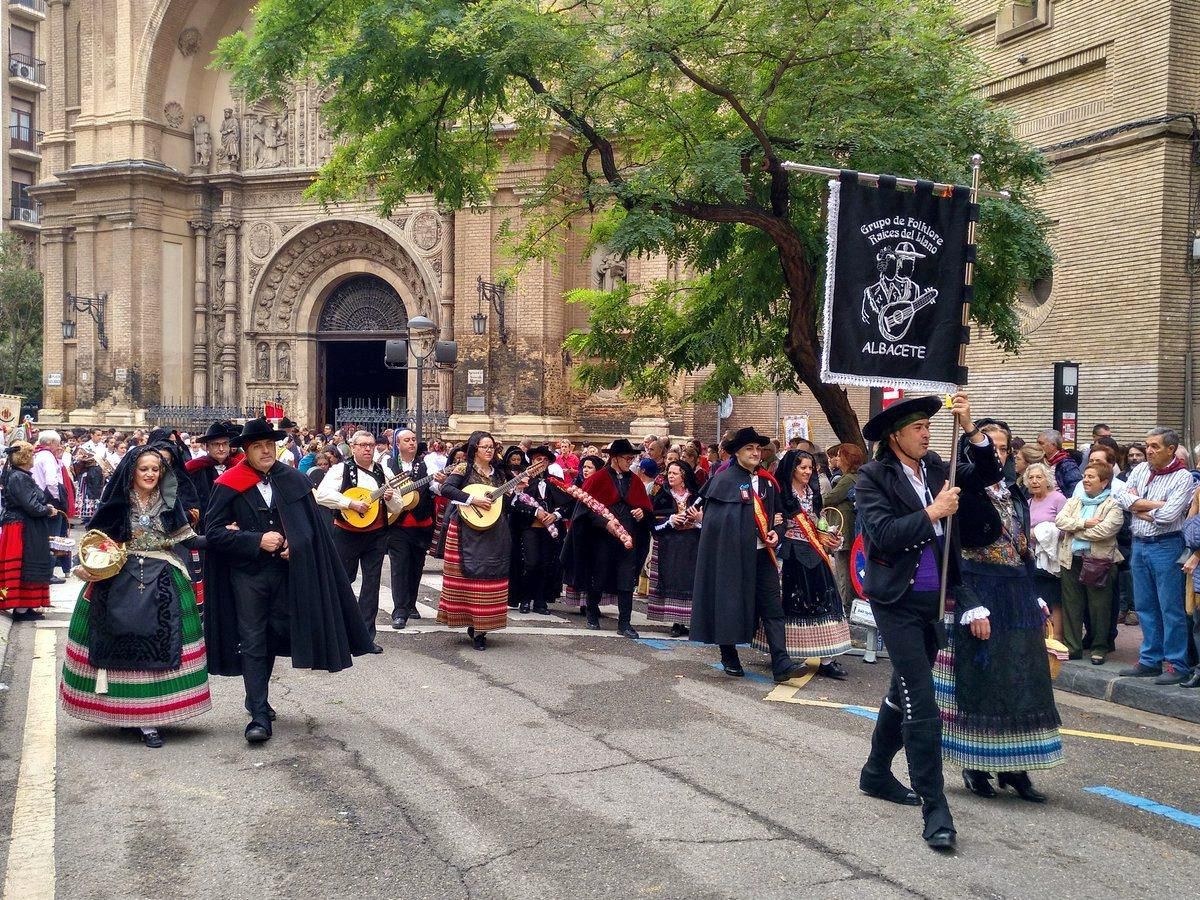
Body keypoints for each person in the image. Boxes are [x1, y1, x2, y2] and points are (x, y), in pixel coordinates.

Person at [854, 392, 1001, 852]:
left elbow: (991, 475)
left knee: (902, 687)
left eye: (928, 426)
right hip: (894, 600)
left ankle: (876, 772)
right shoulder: (872, 477)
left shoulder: (939, 466)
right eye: (918, 428)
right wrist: (934, 512)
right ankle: (935, 808)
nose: (926, 433)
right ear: (896, 436)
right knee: (921, 698)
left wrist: (970, 427)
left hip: (934, 601)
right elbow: (882, 534)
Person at [204, 417, 375, 743]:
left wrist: (294, 545)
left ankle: (257, 697)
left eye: (270, 445)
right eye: (258, 446)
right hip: (247, 575)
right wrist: (255, 541)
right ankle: (257, 715)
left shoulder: (292, 479)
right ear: (247, 451)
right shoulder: (229, 483)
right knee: (253, 639)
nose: (266, 451)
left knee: (274, 633)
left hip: (287, 574)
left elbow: (314, 528)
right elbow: (212, 533)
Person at [939, 422, 1063, 806]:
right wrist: (968, 601)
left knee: (1022, 680)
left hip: (1016, 591)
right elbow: (953, 552)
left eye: (1005, 448)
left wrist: (1032, 594)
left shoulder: (1014, 492)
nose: (1000, 454)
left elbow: (1022, 546)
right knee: (984, 682)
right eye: (992, 447)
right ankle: (976, 766)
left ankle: (1016, 769)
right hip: (981, 590)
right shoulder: (962, 489)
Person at [60, 447, 212, 748]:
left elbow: (188, 538)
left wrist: (226, 537)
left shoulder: (170, 502)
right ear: (132, 470)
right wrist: (92, 562)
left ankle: (149, 717)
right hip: (116, 575)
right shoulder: (116, 502)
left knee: (159, 642)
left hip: (164, 576)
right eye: (144, 468)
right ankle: (123, 710)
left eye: (156, 469)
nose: (150, 474)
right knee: (117, 639)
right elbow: (97, 539)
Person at [690, 427, 805, 684]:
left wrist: (776, 532)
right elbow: (716, 524)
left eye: (758, 449)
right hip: (730, 556)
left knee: (773, 607)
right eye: (749, 449)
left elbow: (778, 517)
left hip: (762, 555)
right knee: (728, 603)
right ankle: (728, 653)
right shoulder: (723, 481)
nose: (755, 453)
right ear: (737, 453)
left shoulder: (767, 482)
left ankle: (781, 662)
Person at [435, 431, 538, 650]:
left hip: (494, 530)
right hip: (465, 528)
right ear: (475, 449)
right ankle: (469, 620)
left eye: (492, 447)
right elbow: (447, 489)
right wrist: (473, 499)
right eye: (485, 447)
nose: (489, 450)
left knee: (490, 575)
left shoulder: (500, 474)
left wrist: (515, 490)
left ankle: (481, 628)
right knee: (467, 577)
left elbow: (504, 502)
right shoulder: (464, 468)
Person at [1115, 427, 1196, 684]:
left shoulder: (1182, 477)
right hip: (1140, 544)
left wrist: (1138, 506)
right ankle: (1150, 660)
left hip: (1166, 545)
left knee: (1170, 607)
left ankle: (1176, 663)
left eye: (1155, 447)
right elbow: (1120, 498)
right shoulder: (1140, 470)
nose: (1148, 451)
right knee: (1145, 605)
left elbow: (1169, 517)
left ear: (1171, 449)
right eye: (1147, 445)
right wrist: (1155, 505)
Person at [762, 449, 850, 677]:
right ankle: (783, 656)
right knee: (791, 603)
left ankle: (827, 659)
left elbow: (817, 519)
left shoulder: (813, 491)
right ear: (792, 469)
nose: (807, 472)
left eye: (810, 468)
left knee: (825, 600)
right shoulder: (781, 492)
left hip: (814, 550)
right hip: (791, 553)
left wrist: (829, 533)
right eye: (803, 467)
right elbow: (774, 520)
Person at [317, 430, 402, 650]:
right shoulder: (341, 469)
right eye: (362, 445)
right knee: (343, 581)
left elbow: (398, 506)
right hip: (346, 533)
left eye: (371, 445)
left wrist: (391, 499)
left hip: (376, 535)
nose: (367, 449)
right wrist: (349, 503)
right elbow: (322, 495)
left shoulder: (385, 472)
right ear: (352, 447)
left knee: (371, 584)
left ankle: (366, 637)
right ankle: (338, 633)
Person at [560, 439, 653, 639]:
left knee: (627, 578)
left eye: (632, 458)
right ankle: (592, 614)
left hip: (627, 536)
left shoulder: (634, 480)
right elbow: (585, 511)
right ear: (615, 458)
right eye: (627, 458)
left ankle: (625, 622)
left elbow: (645, 507)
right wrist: (604, 523)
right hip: (602, 538)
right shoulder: (597, 479)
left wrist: (641, 512)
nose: (630, 462)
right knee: (598, 576)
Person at [1056, 460, 1124, 665]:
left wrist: (1075, 531)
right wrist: (1083, 523)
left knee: (1099, 607)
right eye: (1085, 476)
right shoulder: (1075, 500)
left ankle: (1099, 647)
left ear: (1104, 482)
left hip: (1099, 561)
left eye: (1091, 477)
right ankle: (1072, 647)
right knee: (1071, 606)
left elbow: (1105, 531)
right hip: (1071, 560)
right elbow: (1060, 521)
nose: (1085, 480)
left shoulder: (1113, 505)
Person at [0, 442, 58, 620]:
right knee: (26, 564)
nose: (34, 458)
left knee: (29, 563)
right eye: (31, 455)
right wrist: (48, 509)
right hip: (22, 527)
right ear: (25, 457)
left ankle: (26, 605)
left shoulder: (19, 475)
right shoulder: (19, 477)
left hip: (23, 525)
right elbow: (32, 506)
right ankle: (21, 608)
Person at [510, 446, 569, 615]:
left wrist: (556, 515)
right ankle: (526, 598)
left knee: (546, 563)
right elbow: (514, 503)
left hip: (549, 530)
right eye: (537, 459)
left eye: (544, 460)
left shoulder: (555, 481)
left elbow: (567, 503)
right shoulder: (522, 480)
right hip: (530, 528)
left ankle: (541, 600)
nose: (540, 463)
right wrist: (535, 511)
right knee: (531, 562)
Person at [386, 430, 435, 630]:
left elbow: (437, 488)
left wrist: (439, 481)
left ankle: (411, 604)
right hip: (397, 524)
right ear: (398, 444)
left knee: (416, 566)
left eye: (414, 439)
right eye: (407, 440)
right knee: (399, 567)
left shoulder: (427, 464)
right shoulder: (387, 464)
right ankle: (399, 611)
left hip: (421, 523)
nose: (412, 443)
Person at [647, 459, 702, 637]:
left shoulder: (696, 496)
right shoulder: (662, 496)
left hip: (692, 544)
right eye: (669, 473)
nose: (670, 476)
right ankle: (676, 622)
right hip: (670, 545)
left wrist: (700, 519)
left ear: (683, 476)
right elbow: (654, 523)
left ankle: (691, 621)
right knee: (673, 579)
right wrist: (670, 520)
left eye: (675, 473)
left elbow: (710, 520)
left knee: (691, 581)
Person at [560, 454, 608, 615]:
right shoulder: (577, 485)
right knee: (580, 564)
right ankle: (582, 601)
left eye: (590, 468)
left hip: (597, 532)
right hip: (579, 532)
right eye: (584, 467)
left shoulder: (603, 487)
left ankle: (593, 602)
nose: (586, 471)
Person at [1024, 461, 1067, 639]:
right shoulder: (1027, 502)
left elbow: (1065, 527)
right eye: (1031, 478)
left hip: (1052, 557)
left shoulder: (1058, 499)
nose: (1035, 481)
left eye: (1039, 477)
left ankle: (1057, 638)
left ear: (1047, 479)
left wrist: (1040, 532)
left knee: (1054, 598)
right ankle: (1039, 636)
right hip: (1032, 556)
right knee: (1037, 596)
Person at [822, 443, 864, 611]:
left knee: (843, 570)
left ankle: (845, 604)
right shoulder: (855, 477)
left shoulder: (847, 479)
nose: (836, 458)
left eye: (840, 455)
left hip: (843, 528)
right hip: (850, 527)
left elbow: (830, 498)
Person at [185, 421, 243, 529]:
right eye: (216, 444)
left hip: (236, 527)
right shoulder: (194, 468)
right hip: (205, 527)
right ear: (207, 447)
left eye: (225, 444)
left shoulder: (238, 467)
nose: (221, 448)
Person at [31, 430, 70, 582]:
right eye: (57, 443)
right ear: (51, 443)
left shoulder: (37, 455)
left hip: (39, 497)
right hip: (50, 499)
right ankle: (49, 572)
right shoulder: (47, 457)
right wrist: (58, 498)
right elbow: (51, 481)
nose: (59, 446)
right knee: (53, 537)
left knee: (44, 535)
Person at [1037, 429, 1082, 498]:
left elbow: (1076, 487)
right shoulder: (1040, 461)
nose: (1037, 446)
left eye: (1041, 443)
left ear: (1053, 445)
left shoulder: (1067, 464)